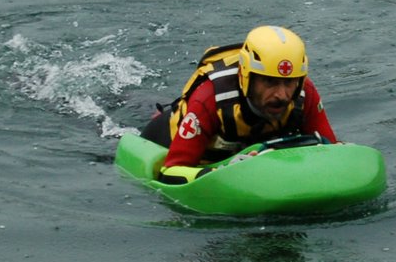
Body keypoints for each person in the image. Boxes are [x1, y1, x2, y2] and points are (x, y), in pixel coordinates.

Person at [141, 25, 338, 183]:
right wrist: (223, 172)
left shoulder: (305, 92)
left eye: (289, 82)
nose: (282, 95)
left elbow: (330, 149)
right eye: (269, 82)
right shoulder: (211, 99)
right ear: (246, 77)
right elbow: (170, 173)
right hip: (168, 138)